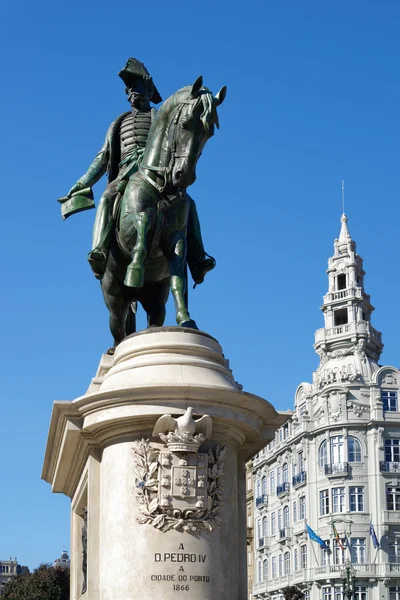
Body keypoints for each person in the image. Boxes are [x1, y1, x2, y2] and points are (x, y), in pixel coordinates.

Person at [66, 58, 215, 283]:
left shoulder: (160, 115)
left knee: (188, 203)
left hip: (157, 175)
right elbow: (103, 157)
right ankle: (100, 250)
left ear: (147, 89)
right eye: (129, 88)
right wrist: (84, 182)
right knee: (107, 197)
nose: (132, 92)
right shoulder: (119, 122)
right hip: (126, 174)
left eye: (137, 86)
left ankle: (197, 259)